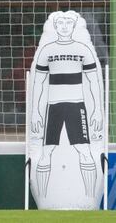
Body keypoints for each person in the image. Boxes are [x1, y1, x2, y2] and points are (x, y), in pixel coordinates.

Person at [31, 11, 103, 198]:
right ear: (55, 26)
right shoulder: (47, 50)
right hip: (53, 108)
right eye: (60, 23)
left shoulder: (83, 49)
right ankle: (44, 197)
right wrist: (37, 113)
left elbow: (94, 81)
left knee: (84, 152)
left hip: (75, 107)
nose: (64, 26)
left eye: (68, 23)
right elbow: (37, 82)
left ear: (73, 26)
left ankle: (89, 198)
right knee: (46, 154)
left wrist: (95, 111)